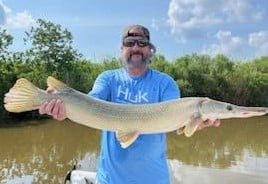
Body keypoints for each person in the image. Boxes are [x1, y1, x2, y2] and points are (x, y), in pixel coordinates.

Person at [39, 25, 221, 184]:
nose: (136, 47)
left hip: (155, 180)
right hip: (109, 179)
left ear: (150, 49)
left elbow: (174, 123)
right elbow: (90, 102)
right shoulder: (108, 78)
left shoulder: (165, 83)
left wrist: (195, 124)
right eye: (129, 43)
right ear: (121, 48)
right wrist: (64, 110)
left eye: (142, 43)